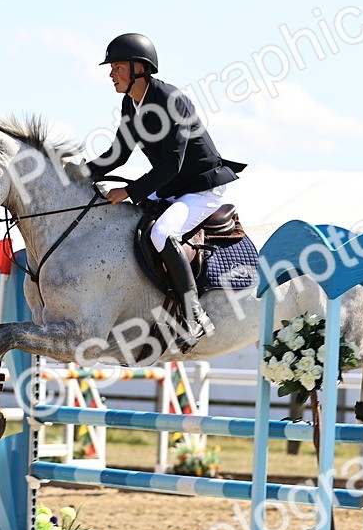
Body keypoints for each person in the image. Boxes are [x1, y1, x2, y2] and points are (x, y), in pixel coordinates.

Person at [83, 32, 244, 353]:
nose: (111, 74)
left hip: (202, 186)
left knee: (161, 233)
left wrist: (130, 190)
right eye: (111, 68)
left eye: (117, 67)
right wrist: (79, 175)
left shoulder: (172, 101)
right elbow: (119, 153)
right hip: (173, 187)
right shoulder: (131, 103)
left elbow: (172, 164)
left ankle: (193, 314)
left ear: (139, 68)